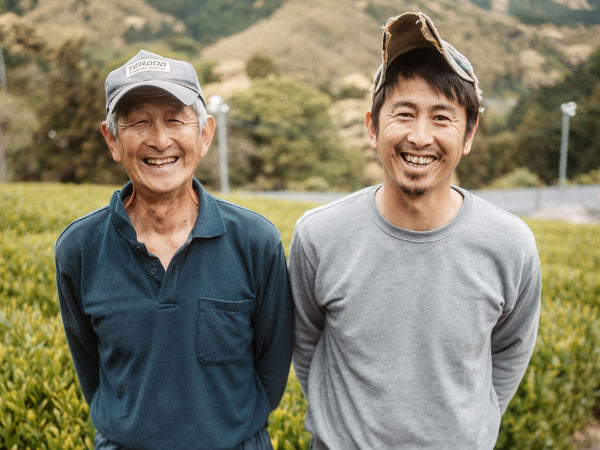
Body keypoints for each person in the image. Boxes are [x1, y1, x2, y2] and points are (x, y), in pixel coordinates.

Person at [288, 12, 541, 450]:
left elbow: (511, 350)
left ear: (469, 133)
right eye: (404, 113)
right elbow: (305, 343)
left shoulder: (509, 243)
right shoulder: (319, 235)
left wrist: (470, 427)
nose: (420, 137)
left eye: (442, 117)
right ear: (372, 126)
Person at [55, 50, 294, 450]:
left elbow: (271, 366)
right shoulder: (79, 249)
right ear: (113, 139)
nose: (160, 139)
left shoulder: (256, 242)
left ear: (204, 134)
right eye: (139, 122)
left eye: (174, 119)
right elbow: (92, 371)